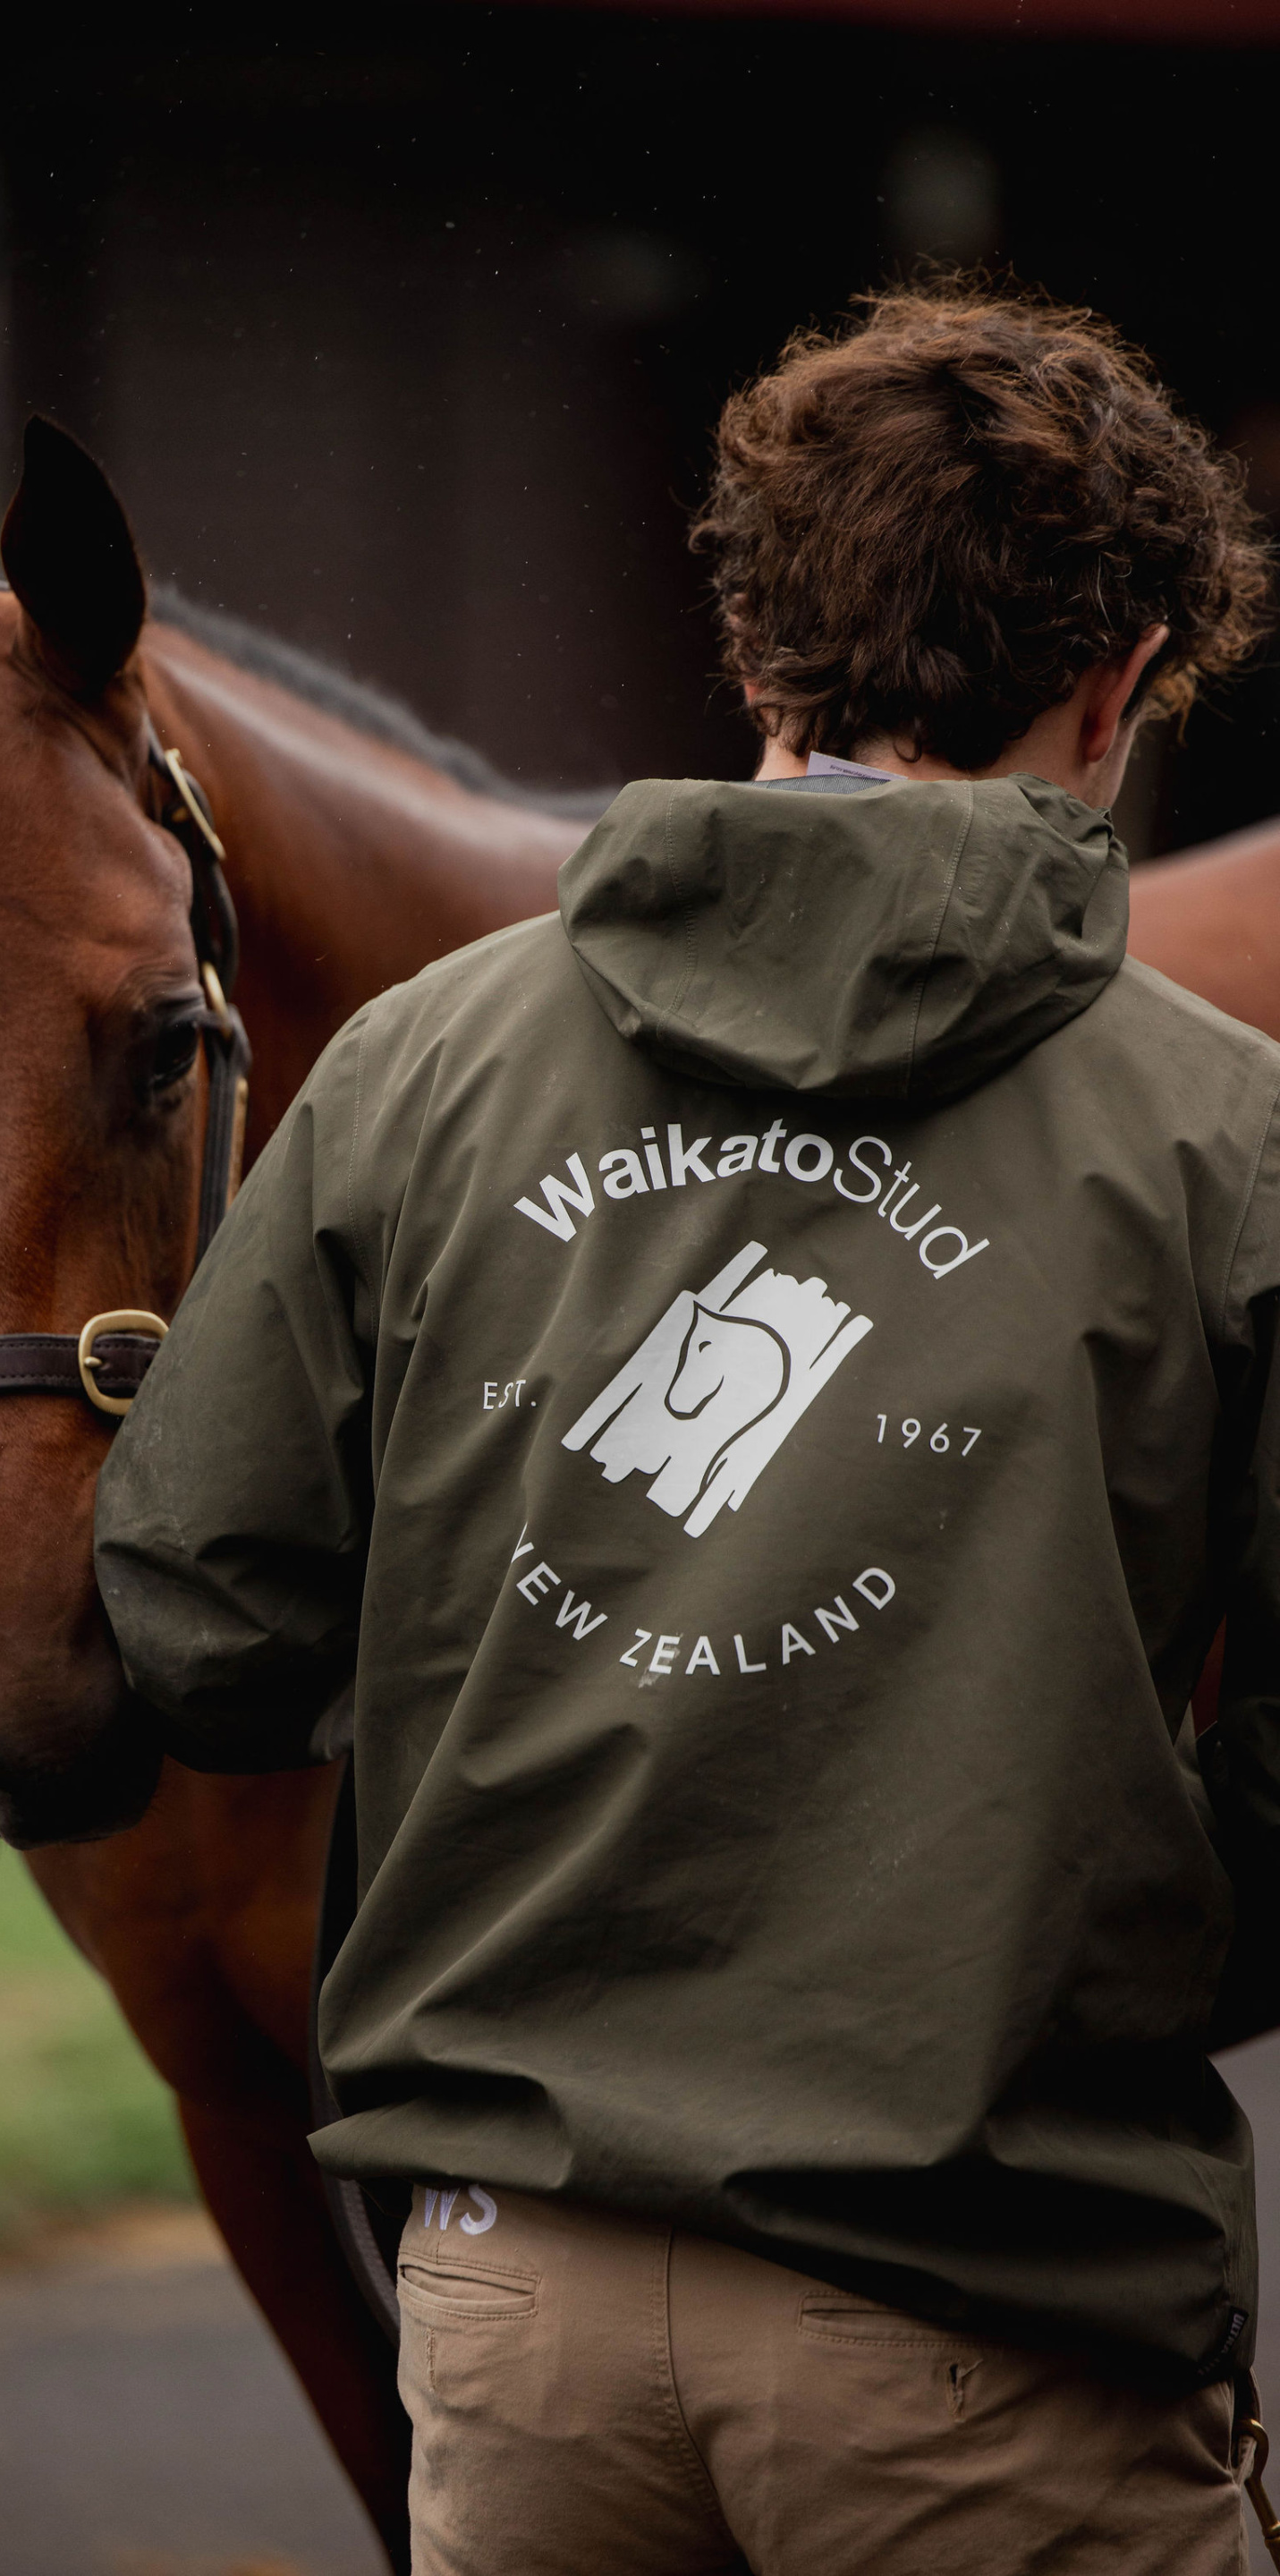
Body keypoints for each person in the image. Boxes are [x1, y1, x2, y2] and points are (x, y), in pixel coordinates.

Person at [95, 285, 1280, 2572]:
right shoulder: (1229, 1140)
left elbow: (200, 1622)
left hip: (514, 2324)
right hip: (992, 2324)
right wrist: (1062, 1935)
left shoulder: (421, 1069)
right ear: (1124, 679)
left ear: (759, 647)